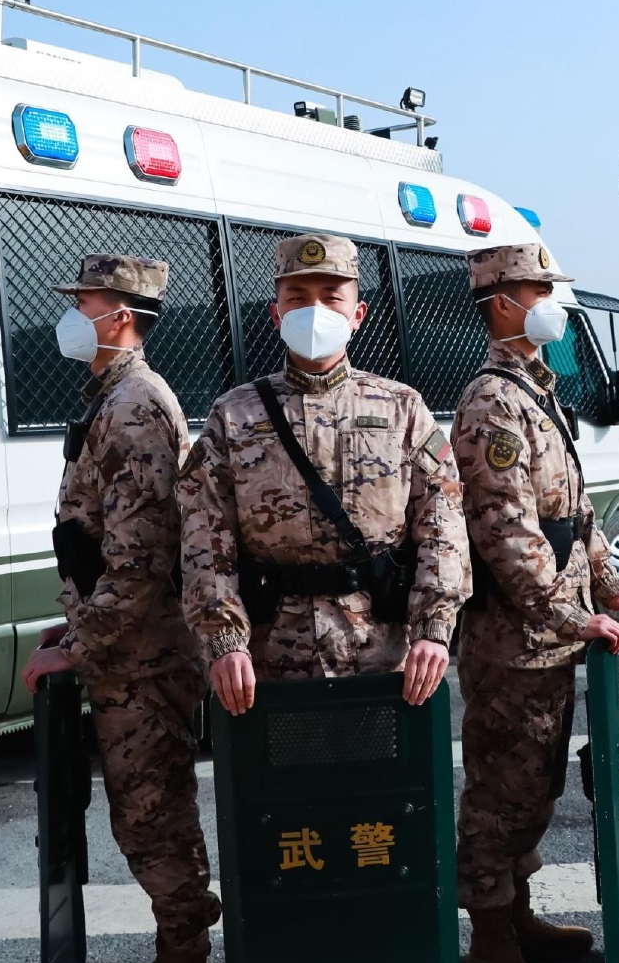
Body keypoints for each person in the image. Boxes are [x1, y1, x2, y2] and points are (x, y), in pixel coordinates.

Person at [18, 253, 220, 963]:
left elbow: (139, 558)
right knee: (142, 816)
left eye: (87, 303)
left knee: (154, 819)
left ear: (122, 315)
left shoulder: (136, 405)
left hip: (142, 656)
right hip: (123, 646)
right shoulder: (112, 396)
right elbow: (104, 547)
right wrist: (77, 630)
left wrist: (87, 645)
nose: (74, 316)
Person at [452, 242, 619, 963]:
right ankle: (490, 943)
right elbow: (508, 535)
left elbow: (572, 518)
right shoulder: (492, 403)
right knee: (500, 793)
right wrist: (577, 617)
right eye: (540, 290)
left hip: (551, 636)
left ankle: (519, 914)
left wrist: (610, 586)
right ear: (502, 302)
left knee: (533, 787)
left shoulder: (537, 391)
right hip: (515, 644)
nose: (554, 304)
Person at [179, 234, 469, 710]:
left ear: (358, 316)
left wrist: (434, 629)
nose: (315, 310)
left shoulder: (401, 408)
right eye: (298, 298)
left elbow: (442, 522)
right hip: (268, 662)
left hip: (381, 658)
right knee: (282, 786)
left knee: (379, 785)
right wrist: (224, 641)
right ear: (276, 316)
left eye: (332, 298)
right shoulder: (233, 415)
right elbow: (205, 536)